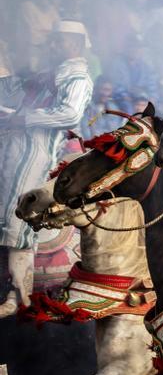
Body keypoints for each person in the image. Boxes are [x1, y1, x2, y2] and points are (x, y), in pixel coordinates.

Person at [0, 21, 94, 316]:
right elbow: (12, 89)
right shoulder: (48, 73)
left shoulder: (78, 76)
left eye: (59, 41)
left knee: (18, 219)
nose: (53, 46)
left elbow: (70, 113)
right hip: (14, 147)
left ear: (75, 45)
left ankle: (20, 296)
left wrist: (25, 118)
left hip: (38, 153)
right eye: (53, 41)